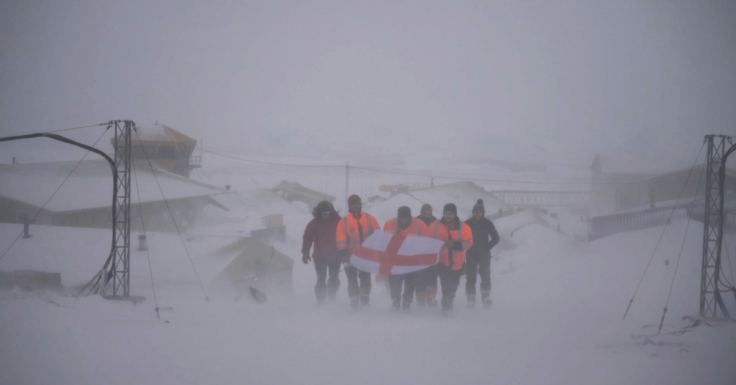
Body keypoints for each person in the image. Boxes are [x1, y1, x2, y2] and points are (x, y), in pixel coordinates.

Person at [426, 203, 473, 316]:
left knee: (453, 286)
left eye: (450, 213)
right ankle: (446, 306)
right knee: (445, 284)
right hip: (440, 262)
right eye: (446, 213)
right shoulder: (434, 225)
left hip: (456, 263)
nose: (448, 216)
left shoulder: (464, 227)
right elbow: (426, 240)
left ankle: (449, 301)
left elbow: (469, 243)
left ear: (454, 214)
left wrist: (453, 245)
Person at [336, 194, 381, 310]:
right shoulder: (344, 221)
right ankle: (354, 304)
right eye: (353, 204)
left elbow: (377, 232)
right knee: (352, 281)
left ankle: (365, 302)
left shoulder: (369, 218)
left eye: (357, 204)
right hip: (350, 257)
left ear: (360, 205)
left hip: (366, 257)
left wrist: (374, 236)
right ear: (349, 206)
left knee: (366, 280)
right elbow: (340, 238)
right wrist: (343, 254)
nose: (355, 206)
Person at [383, 206, 428, 312]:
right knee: (394, 283)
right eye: (402, 218)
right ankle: (395, 301)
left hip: (412, 261)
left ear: (410, 216)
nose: (404, 220)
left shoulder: (420, 224)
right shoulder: (389, 224)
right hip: (395, 261)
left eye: (406, 218)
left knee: (410, 284)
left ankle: (407, 303)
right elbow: (384, 240)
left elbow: (426, 241)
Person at [302, 201, 342, 304]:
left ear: (331, 212)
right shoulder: (314, 223)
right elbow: (307, 238)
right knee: (321, 279)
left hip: (335, 256)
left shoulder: (339, 222)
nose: (325, 216)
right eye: (323, 213)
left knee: (333, 278)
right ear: (319, 213)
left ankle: (332, 298)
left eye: (327, 213)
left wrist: (346, 252)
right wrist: (305, 252)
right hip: (320, 256)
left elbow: (345, 237)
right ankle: (320, 300)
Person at [464, 199, 500, 308]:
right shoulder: (466, 224)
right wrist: (465, 246)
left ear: (483, 213)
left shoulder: (488, 224)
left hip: (484, 255)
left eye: (479, 212)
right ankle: (471, 300)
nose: (477, 214)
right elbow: (460, 237)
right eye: (475, 212)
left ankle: (486, 298)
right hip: (470, 254)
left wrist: (487, 247)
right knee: (470, 277)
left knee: (485, 277)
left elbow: (496, 238)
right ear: (473, 213)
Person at [415, 204, 439, 307]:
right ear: (422, 212)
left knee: (432, 277)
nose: (428, 215)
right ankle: (420, 301)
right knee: (420, 278)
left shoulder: (436, 222)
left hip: (432, 253)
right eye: (426, 213)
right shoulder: (416, 222)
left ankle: (431, 298)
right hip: (419, 254)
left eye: (429, 213)